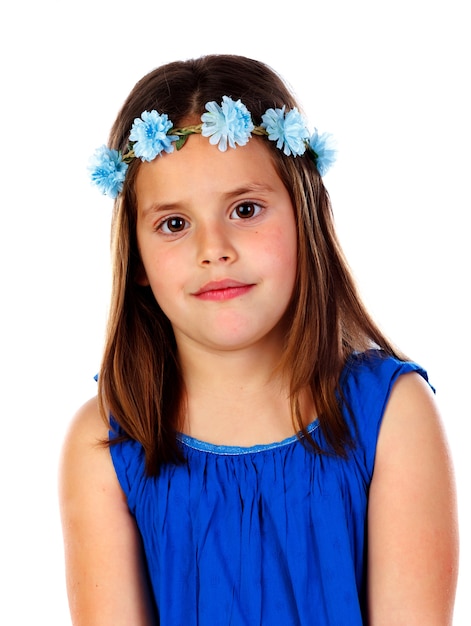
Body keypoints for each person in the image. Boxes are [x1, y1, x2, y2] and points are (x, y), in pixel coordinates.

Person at [59, 54, 458, 625]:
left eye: (245, 209)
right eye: (174, 223)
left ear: (305, 215)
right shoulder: (104, 444)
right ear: (138, 256)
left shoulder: (393, 416)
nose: (213, 249)